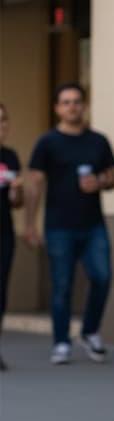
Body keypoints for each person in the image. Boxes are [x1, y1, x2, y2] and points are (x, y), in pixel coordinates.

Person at [22, 83, 114, 365]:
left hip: (93, 226)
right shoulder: (47, 143)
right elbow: (35, 184)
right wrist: (30, 224)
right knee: (62, 285)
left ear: (84, 105)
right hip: (58, 226)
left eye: (76, 101)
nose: (72, 107)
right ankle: (61, 342)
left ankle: (89, 331)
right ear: (57, 108)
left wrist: (99, 181)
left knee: (102, 276)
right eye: (66, 102)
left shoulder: (98, 141)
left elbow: (112, 178)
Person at [0, 103, 24, 372]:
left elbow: (15, 202)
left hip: (4, 232)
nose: (1, 126)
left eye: (3, 120)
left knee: (1, 291)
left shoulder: (10, 157)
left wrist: (16, 190)